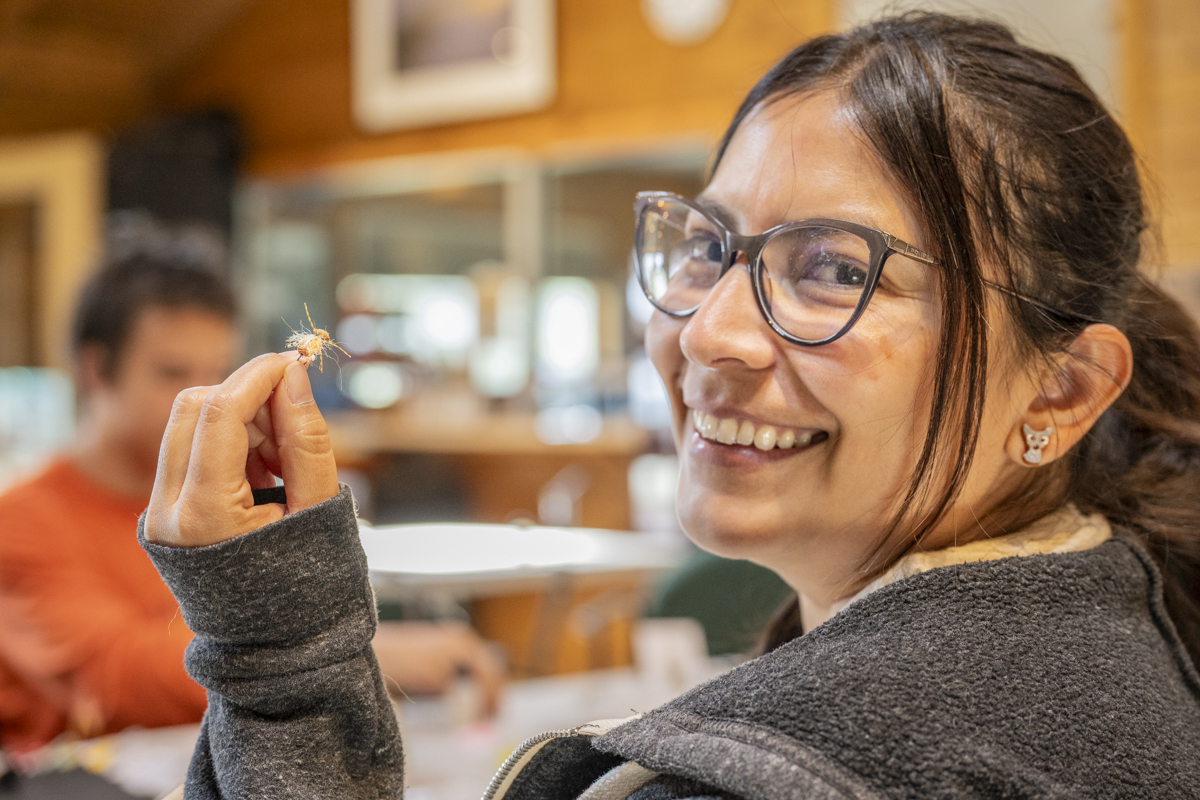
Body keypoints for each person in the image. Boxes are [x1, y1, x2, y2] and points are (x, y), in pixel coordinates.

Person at [140, 13, 1200, 799]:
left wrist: (278, 653)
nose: (707, 330)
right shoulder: (1115, 626)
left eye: (835, 267)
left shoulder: (781, 774)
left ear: (1059, 388)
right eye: (710, 246)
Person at [0, 255, 502, 755]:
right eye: (171, 371)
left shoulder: (240, 494)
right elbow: (117, 679)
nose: (209, 395)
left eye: (220, 370)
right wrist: (344, 653)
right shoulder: (20, 521)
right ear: (95, 370)